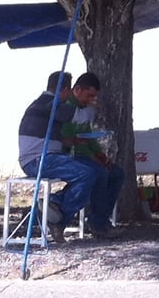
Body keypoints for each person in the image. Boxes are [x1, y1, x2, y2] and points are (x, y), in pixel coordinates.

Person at [18, 71, 98, 242]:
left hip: (40, 157)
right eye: (68, 91)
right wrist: (92, 106)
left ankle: (53, 205)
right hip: (39, 160)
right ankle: (57, 213)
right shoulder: (52, 104)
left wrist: (69, 141)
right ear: (65, 89)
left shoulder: (42, 104)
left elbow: (44, 136)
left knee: (89, 173)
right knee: (86, 174)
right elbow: (81, 117)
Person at [59, 72, 125, 240]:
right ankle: (98, 223)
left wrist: (100, 155)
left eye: (93, 97)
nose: (91, 100)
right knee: (100, 173)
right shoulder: (67, 107)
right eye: (89, 95)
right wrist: (94, 157)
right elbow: (71, 139)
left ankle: (101, 219)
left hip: (85, 154)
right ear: (77, 90)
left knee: (117, 173)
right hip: (71, 155)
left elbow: (88, 136)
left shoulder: (84, 110)